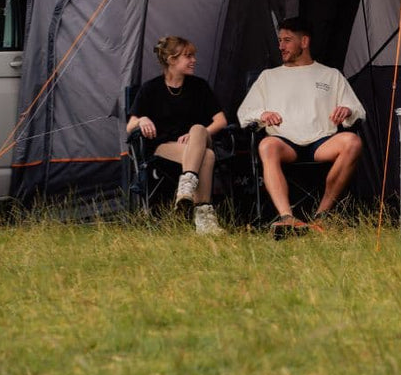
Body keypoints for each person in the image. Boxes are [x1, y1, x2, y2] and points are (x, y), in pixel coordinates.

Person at [237, 17, 365, 237]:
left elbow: (358, 111)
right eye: (279, 40)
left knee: (353, 142)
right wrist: (262, 114)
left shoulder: (330, 75)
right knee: (266, 145)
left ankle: (321, 216)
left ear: (304, 42)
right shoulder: (269, 77)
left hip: (321, 141)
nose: (281, 46)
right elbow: (244, 113)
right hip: (284, 142)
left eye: (287, 40)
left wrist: (347, 110)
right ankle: (287, 217)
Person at [127, 35, 227, 235]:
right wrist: (142, 119)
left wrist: (196, 135)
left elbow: (221, 121)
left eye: (193, 56)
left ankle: (187, 184)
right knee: (207, 156)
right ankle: (203, 219)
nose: (194, 60)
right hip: (166, 146)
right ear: (172, 60)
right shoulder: (151, 89)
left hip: (198, 139)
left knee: (198, 128)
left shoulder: (199, 86)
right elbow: (130, 126)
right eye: (188, 56)